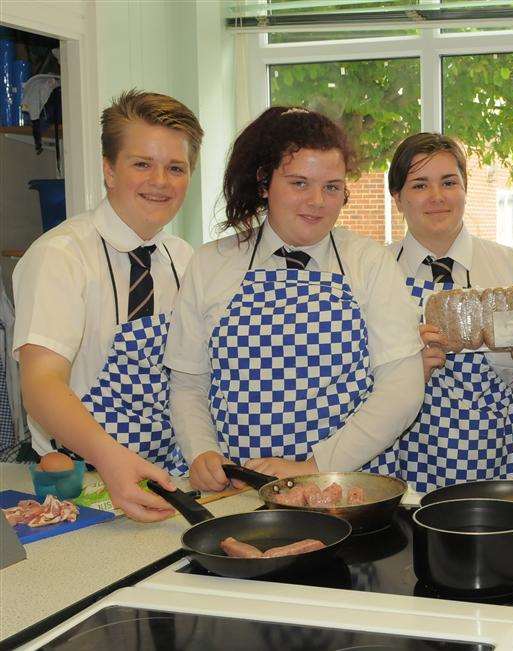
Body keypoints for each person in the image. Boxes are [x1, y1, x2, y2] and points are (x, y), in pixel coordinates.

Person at [164, 107, 423, 491]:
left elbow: (402, 387)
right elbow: (188, 382)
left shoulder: (369, 262)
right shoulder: (211, 263)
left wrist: (316, 465)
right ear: (264, 182)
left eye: (332, 187)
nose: (317, 201)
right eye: (299, 183)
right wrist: (202, 451)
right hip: (236, 490)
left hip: (341, 487)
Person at [13, 90, 203, 521]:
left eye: (176, 168)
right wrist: (114, 461)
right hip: (82, 486)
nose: (160, 181)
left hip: (168, 480)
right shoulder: (60, 256)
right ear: (108, 171)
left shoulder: (184, 259)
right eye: (142, 164)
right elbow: (41, 385)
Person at [388, 132, 513, 492]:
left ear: (465, 190)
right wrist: (409, 371)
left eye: (449, 182)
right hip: (396, 471)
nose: (437, 196)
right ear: (398, 198)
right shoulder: (373, 275)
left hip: (505, 470)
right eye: (420, 185)